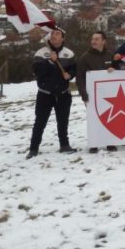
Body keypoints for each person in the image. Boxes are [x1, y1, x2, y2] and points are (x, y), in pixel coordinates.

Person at [27, 28, 77, 159]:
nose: (55, 36)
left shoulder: (69, 53)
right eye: (53, 34)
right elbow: (37, 71)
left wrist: (70, 75)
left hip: (63, 94)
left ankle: (64, 145)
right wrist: (49, 61)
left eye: (58, 34)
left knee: (63, 121)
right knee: (40, 122)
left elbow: (73, 68)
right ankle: (33, 148)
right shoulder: (41, 53)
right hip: (45, 94)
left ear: (63, 38)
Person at [76, 31, 118, 153]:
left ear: (103, 41)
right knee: (94, 119)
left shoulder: (111, 55)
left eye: (96, 39)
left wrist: (114, 69)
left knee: (110, 118)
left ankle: (110, 142)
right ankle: (94, 143)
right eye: (92, 39)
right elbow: (80, 77)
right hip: (92, 95)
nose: (93, 41)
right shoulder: (85, 58)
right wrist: (83, 94)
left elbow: (120, 70)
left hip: (110, 95)